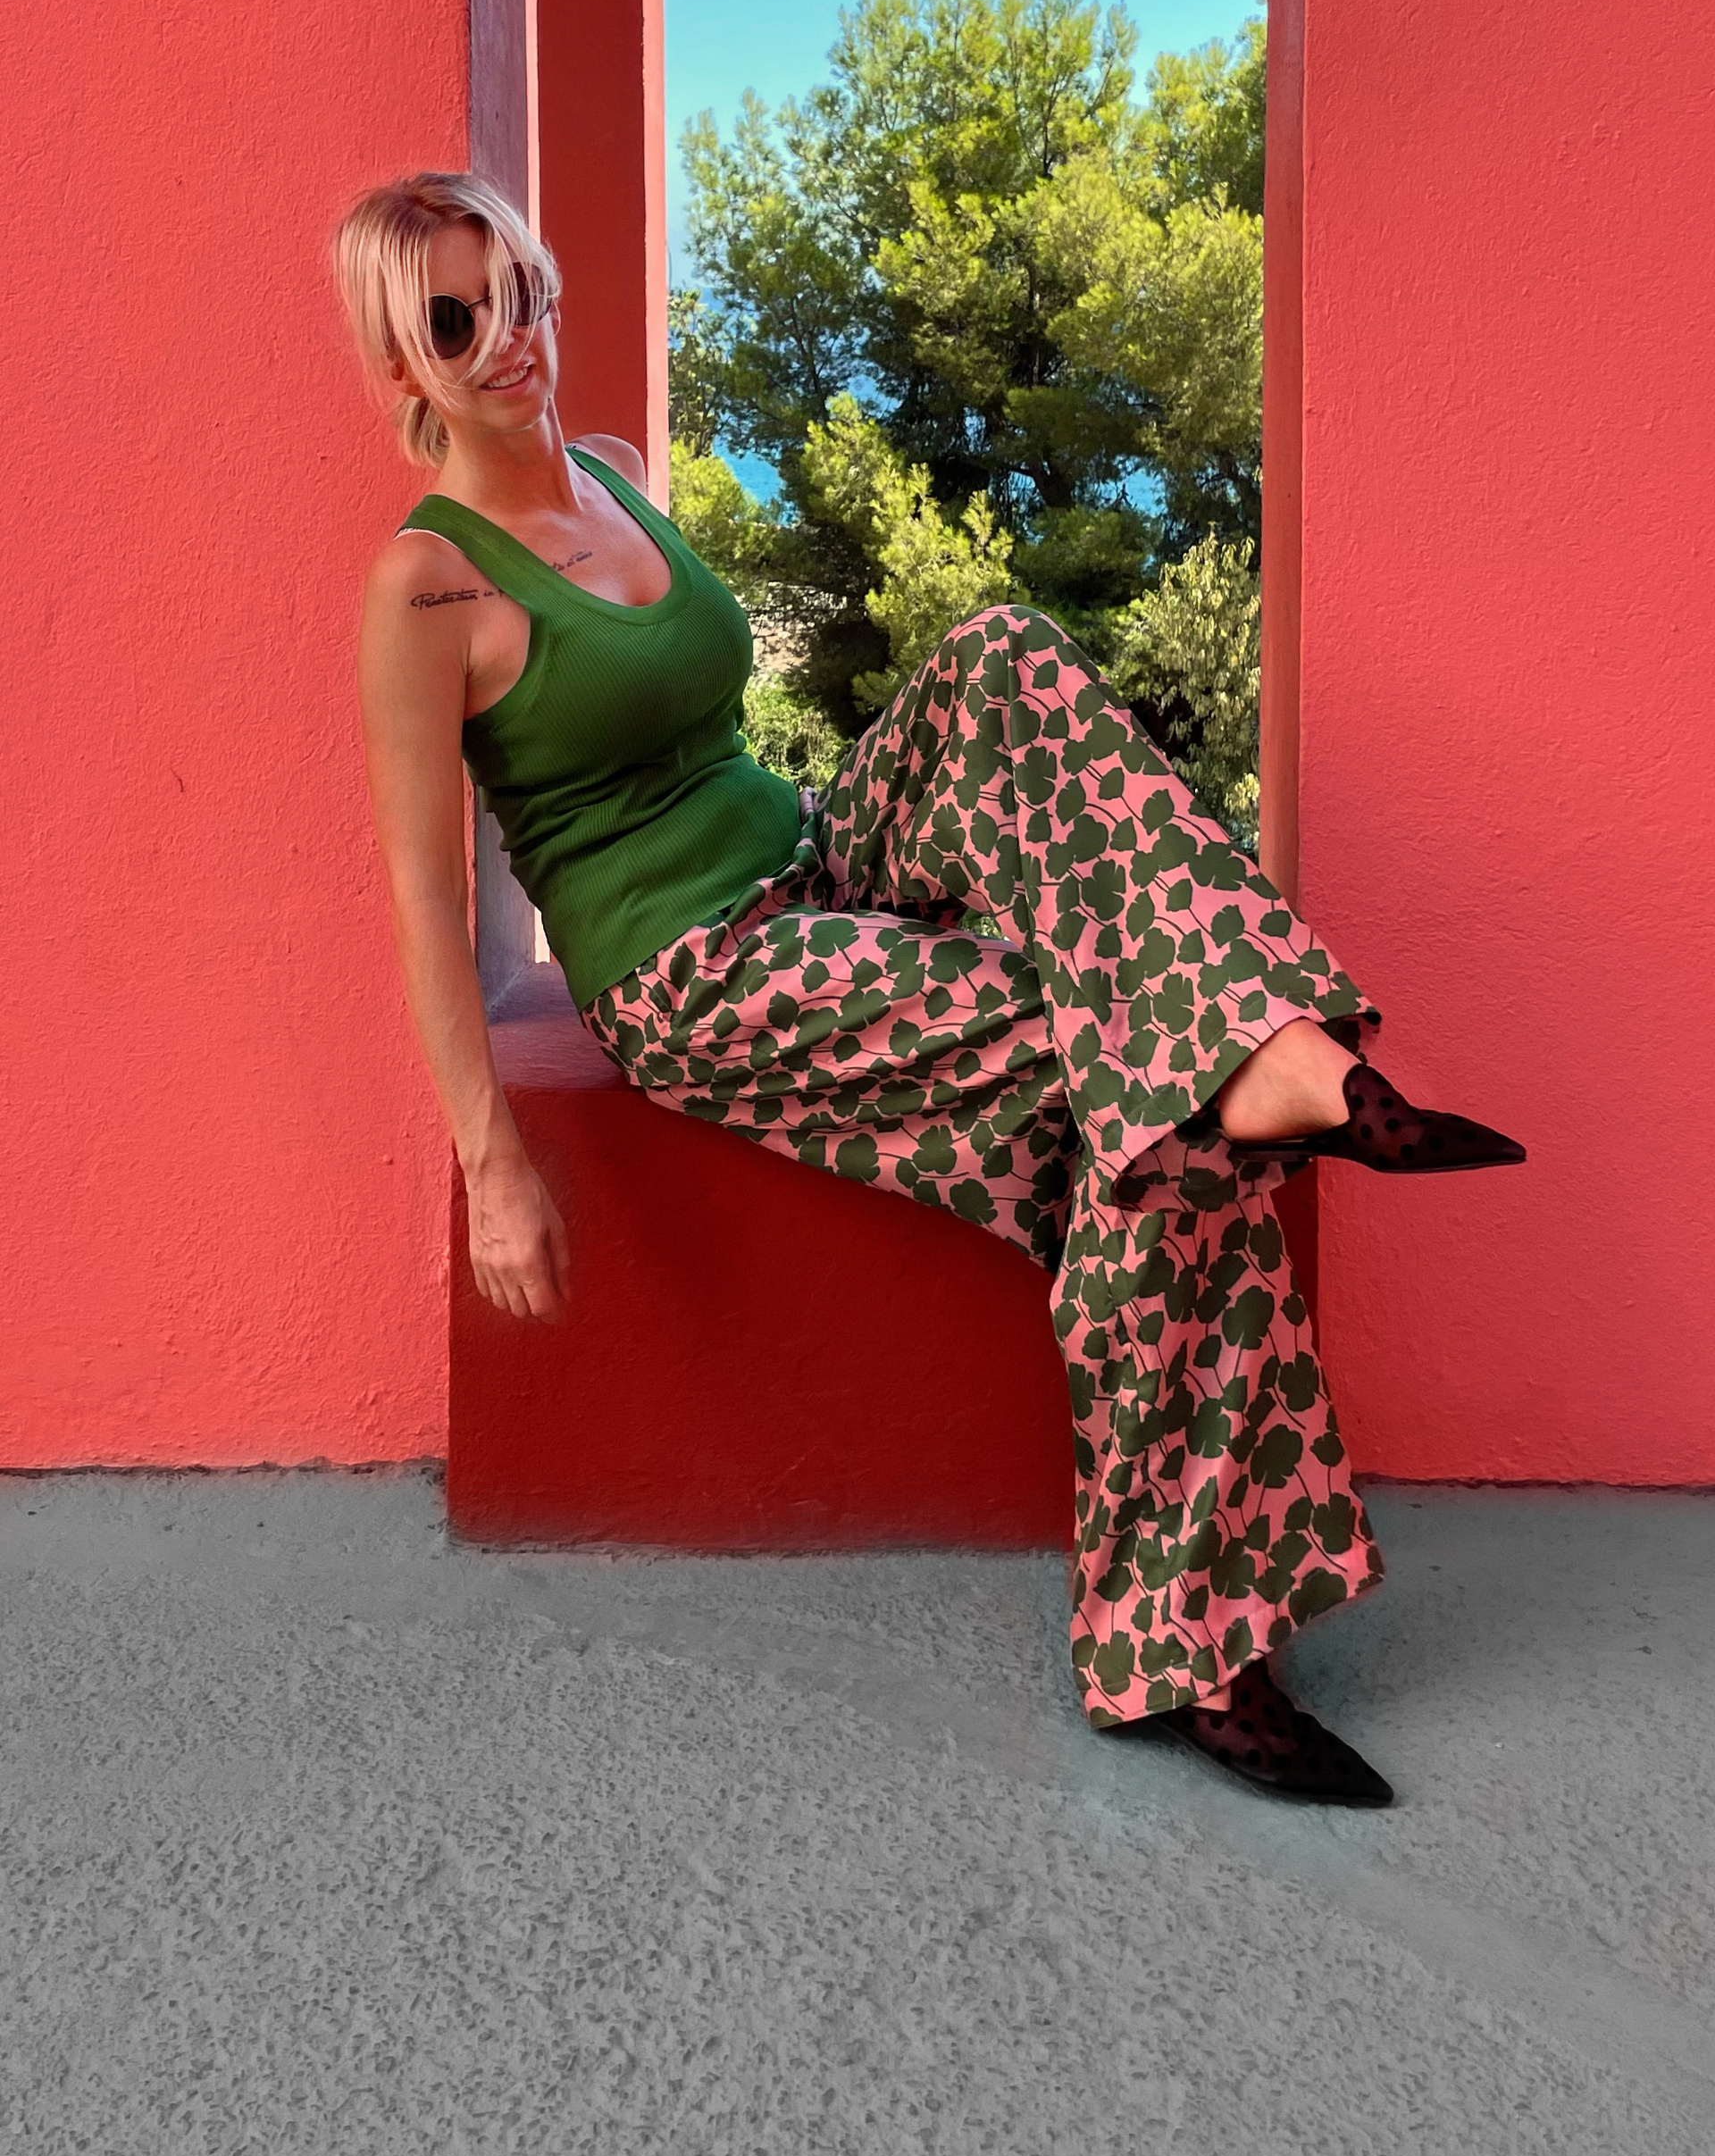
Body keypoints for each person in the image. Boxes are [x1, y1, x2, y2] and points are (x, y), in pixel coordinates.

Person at [337, 170, 1524, 1811]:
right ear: (403, 359)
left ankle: (1260, 1052)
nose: (506, 338)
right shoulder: (426, 588)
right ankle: (1195, 1643)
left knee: (1001, 660)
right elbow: (421, 892)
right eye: (455, 319)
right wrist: (491, 1159)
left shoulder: (613, 473)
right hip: (697, 968)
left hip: (810, 848)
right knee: (1127, 1074)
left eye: (517, 288)